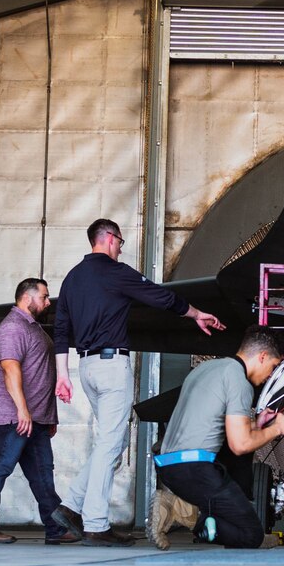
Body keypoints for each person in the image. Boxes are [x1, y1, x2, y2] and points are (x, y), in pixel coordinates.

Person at [51, 219, 225, 545]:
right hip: (111, 365)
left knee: (111, 445)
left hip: (86, 367)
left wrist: (62, 375)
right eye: (120, 242)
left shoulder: (72, 279)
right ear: (110, 239)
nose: (121, 248)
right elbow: (158, 296)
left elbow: (61, 330)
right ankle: (95, 524)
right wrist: (196, 313)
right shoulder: (116, 272)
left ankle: (71, 506)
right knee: (110, 444)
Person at [149, 327, 284, 549]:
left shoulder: (206, 369)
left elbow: (211, 423)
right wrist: (278, 428)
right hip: (196, 470)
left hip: (169, 469)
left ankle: (186, 509)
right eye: (273, 367)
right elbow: (240, 445)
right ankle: (184, 512)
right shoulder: (239, 381)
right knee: (250, 535)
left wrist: (257, 423)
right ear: (262, 356)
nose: (270, 375)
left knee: (223, 523)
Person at [0, 278, 80, 545]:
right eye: (43, 297)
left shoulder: (34, 329)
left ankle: (55, 529)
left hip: (37, 419)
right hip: (15, 418)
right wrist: (22, 411)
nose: (47, 302)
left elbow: (42, 374)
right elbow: (10, 369)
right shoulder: (12, 328)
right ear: (27, 297)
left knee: (43, 475)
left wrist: (48, 416)